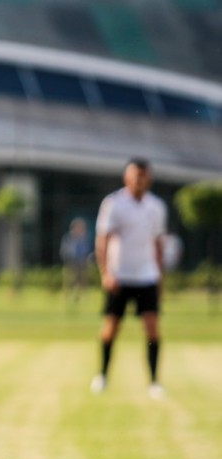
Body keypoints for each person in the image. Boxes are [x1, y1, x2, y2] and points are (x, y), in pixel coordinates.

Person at [90, 158, 167, 398]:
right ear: (127, 177)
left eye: (143, 176)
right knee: (111, 328)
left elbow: (157, 244)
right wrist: (106, 272)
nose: (139, 180)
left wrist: (160, 277)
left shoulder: (156, 206)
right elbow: (102, 240)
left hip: (147, 276)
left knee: (153, 328)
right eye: (135, 175)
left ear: (149, 178)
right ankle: (102, 375)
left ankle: (154, 382)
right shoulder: (114, 204)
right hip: (120, 276)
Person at [60, 217, 92, 303]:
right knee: (69, 281)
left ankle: (80, 297)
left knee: (82, 281)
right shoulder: (68, 238)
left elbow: (87, 250)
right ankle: (68, 297)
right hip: (71, 262)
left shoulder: (84, 238)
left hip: (82, 263)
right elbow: (64, 250)